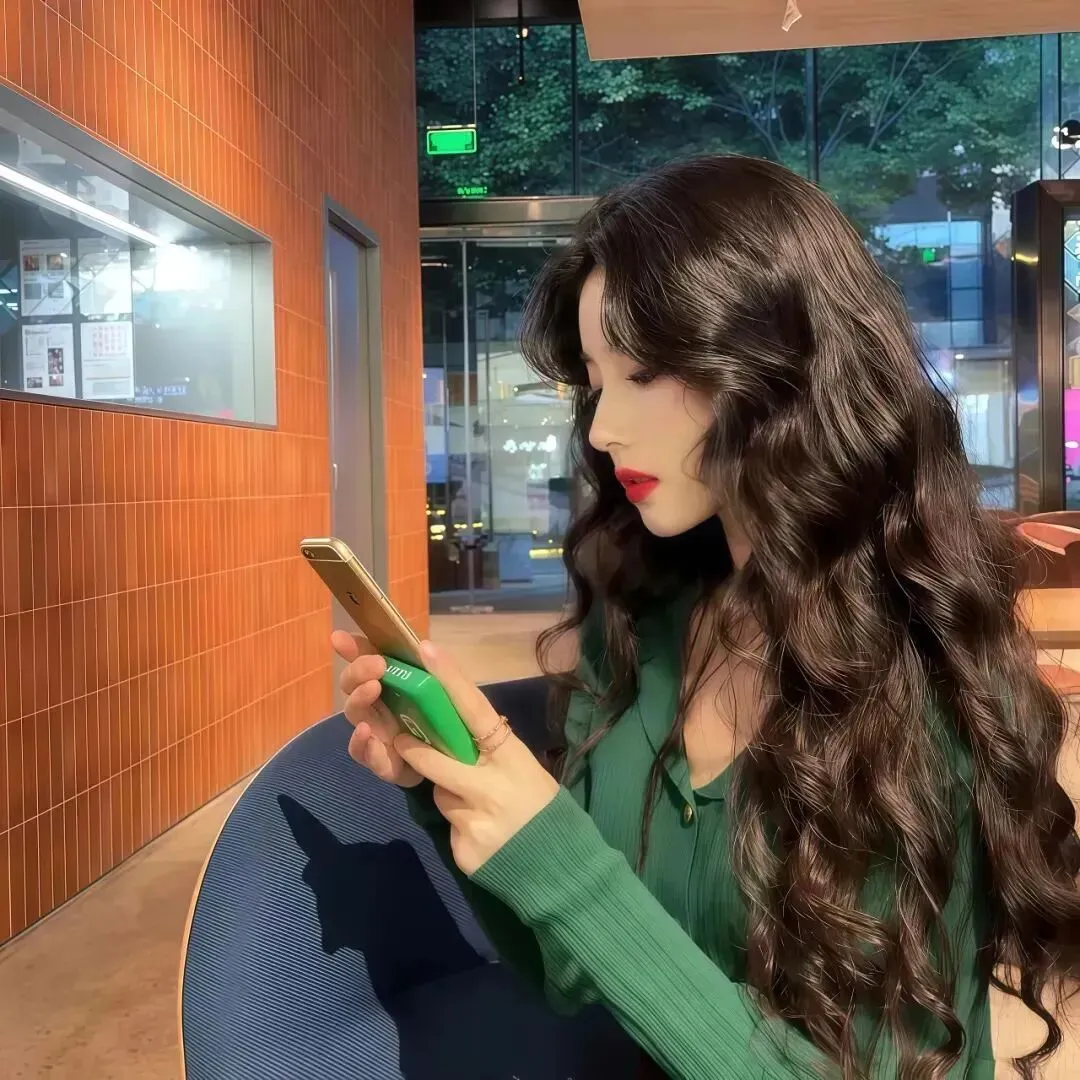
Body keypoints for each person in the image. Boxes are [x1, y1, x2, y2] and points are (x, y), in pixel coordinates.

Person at [332, 155, 1080, 1079]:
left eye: (645, 372)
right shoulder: (641, 617)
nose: (602, 429)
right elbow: (577, 976)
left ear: (781, 368)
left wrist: (564, 866)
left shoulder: (916, 680)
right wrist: (459, 792)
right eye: (595, 382)